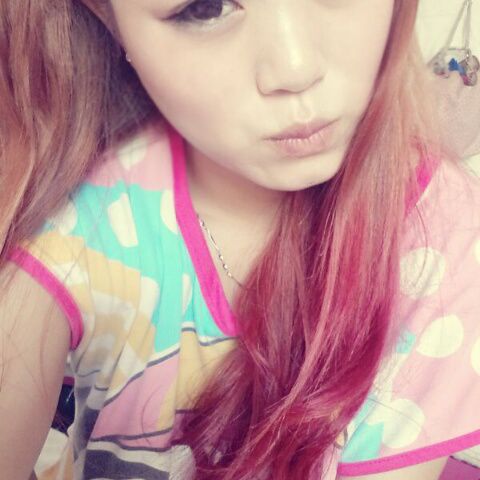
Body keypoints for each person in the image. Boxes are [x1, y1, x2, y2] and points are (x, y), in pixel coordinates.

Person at [1, 1, 479, 479]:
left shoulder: (443, 233)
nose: (296, 68)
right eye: (205, 7)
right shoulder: (77, 211)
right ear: (108, 18)